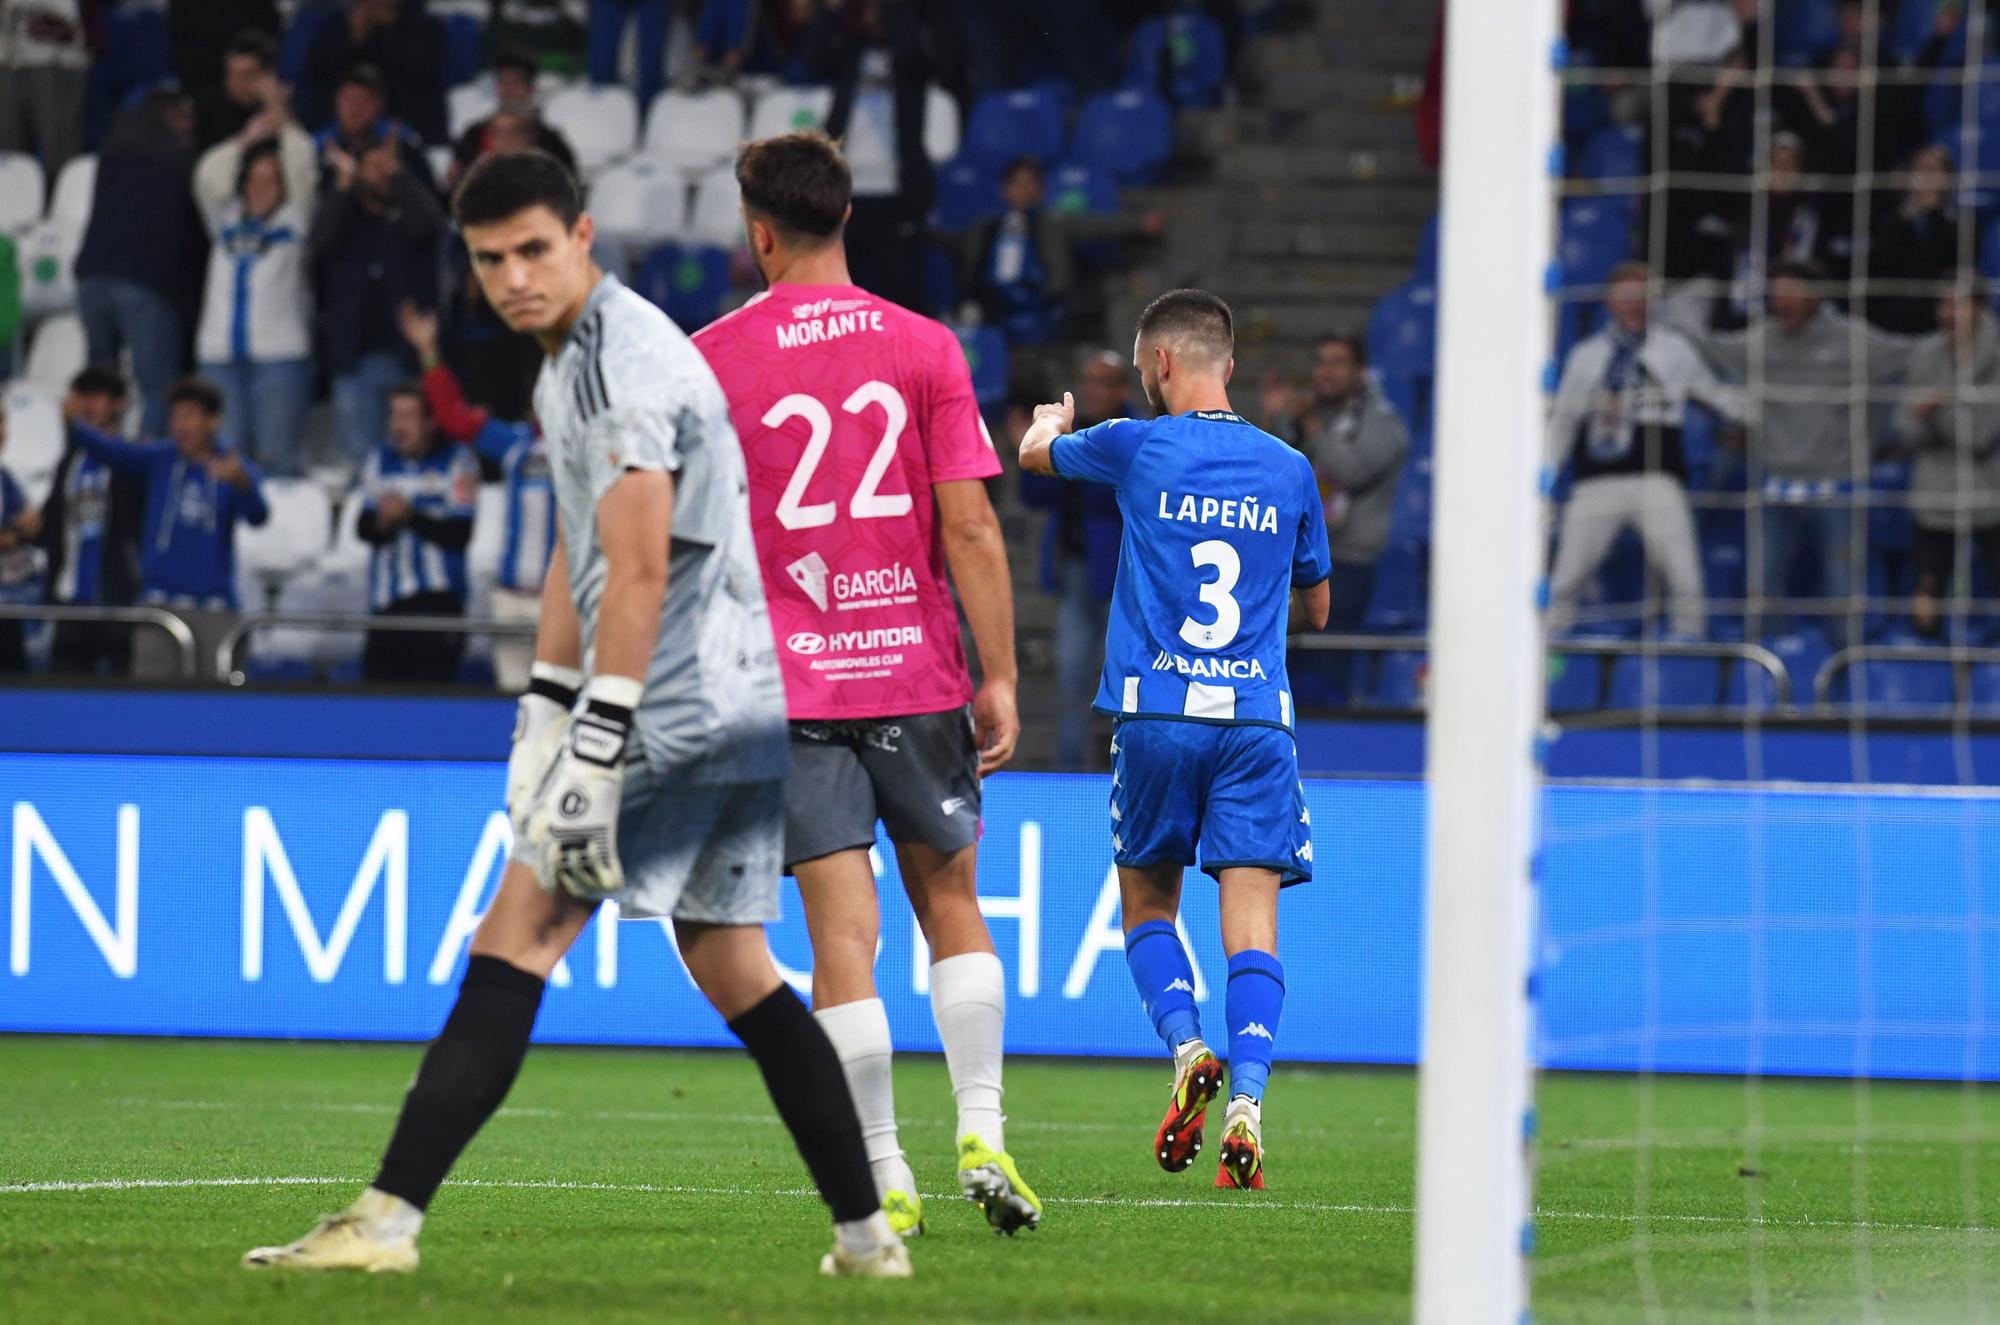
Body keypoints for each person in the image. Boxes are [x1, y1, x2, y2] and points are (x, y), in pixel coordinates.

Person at [243, 148, 908, 1279]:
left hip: (673, 702)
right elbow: (580, 549)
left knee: (518, 935)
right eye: (490, 258)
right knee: (737, 966)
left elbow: (639, 567)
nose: (514, 276)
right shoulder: (573, 361)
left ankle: (387, 1219)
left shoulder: (614, 364)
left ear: (582, 237)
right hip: (738, 699)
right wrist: (542, 706)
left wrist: (595, 734)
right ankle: (865, 1236)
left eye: (534, 250)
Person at [690, 130, 1038, 1241]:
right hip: (916, 669)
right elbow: (970, 524)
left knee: (842, 936)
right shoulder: (927, 346)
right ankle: (980, 1122)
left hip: (790, 687)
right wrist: (1001, 673)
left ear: (757, 233)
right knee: (953, 902)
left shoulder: (713, 356)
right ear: (846, 217)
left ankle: (883, 1167)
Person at [1017, 288, 1331, 1192]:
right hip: (1255, 723)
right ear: (1226, 366)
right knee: (1253, 925)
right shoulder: (1291, 467)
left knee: (1150, 908)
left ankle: (1188, 1046)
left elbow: (1034, 457)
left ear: (1158, 366)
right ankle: (1249, 1103)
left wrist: (1048, 423)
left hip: (1156, 712)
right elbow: (1316, 603)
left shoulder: (1135, 442)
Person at [1678, 260, 1912, 644]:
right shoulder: (1761, 341)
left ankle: (1844, 677)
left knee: (1842, 593)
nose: (1779, 300)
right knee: (1763, 587)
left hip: (1838, 485)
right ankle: (1775, 675)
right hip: (1778, 484)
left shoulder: (1853, 340)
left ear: (1814, 296)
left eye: (1789, 291)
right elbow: (1713, 349)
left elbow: (1910, 355)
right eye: (1775, 292)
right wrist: (1677, 319)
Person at [1545, 262, 1743, 639]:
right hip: (1597, 483)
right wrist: (1547, 472)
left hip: (1658, 481)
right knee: (1566, 579)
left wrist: (1761, 409)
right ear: (1609, 302)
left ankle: (1687, 658)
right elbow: (1564, 422)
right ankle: (1551, 654)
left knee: (1685, 578)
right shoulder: (1585, 356)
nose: (1635, 303)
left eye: (1642, 295)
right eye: (1626, 296)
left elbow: (1717, 397)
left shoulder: (1675, 351)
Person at [67, 376, 270, 681]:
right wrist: (76, 426)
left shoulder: (232, 466)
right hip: (158, 608)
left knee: (217, 714)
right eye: (174, 416)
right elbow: (114, 452)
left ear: (213, 421)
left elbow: (258, 516)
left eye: (189, 415)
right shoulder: (160, 457)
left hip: (214, 609)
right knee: (152, 707)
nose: (179, 425)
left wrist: (243, 485)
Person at [402, 300, 552, 692]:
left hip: (564, 604)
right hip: (511, 598)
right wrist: (429, 354)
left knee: (563, 710)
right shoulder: (515, 444)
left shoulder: (589, 448)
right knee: (512, 711)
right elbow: (452, 416)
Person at [1019, 348, 1130, 769]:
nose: (1092, 390)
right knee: (1071, 677)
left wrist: (1071, 458)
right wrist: (1036, 451)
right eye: (1088, 381)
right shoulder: (1068, 433)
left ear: (1121, 389)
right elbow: (1034, 495)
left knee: (1125, 677)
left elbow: (1113, 499)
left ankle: (1122, 768)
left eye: (1103, 382)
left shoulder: (1135, 432)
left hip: (1125, 574)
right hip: (1077, 571)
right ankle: (1071, 773)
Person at [74, 88, 207, 437]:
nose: (190, 127)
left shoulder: (111, 154)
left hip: (91, 278)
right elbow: (191, 234)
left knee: (100, 385)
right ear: (172, 117)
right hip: (146, 282)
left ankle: (97, 457)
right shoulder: (178, 161)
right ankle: (145, 476)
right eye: (185, 118)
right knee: (157, 389)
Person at [312, 128, 447, 472]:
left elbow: (428, 227)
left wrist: (400, 174)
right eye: (372, 166)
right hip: (352, 354)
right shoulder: (344, 214)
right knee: (360, 460)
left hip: (406, 352)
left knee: (412, 453)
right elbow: (321, 242)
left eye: (386, 164)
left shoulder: (409, 209)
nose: (381, 172)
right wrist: (342, 185)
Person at [1263, 333, 1410, 633]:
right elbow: (1269, 474)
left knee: (1323, 666)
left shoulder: (1383, 421)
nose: (1325, 371)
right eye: (1320, 363)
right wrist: (1274, 419)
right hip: (1298, 553)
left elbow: (1352, 471)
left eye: (1337, 363)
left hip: (1348, 562)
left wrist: (1311, 427)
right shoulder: (1308, 414)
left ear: (1361, 371)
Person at [193, 134, 316, 478]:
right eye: (253, 179)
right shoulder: (224, 220)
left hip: (279, 360)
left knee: (276, 461)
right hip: (219, 359)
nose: (259, 187)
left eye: (270, 180)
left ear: (284, 187)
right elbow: (206, 177)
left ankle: (278, 532)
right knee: (224, 465)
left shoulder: (295, 220)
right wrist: (248, 137)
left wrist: (283, 123)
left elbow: (304, 163)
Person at [1894, 275, 2000, 638]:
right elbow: (1904, 429)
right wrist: (1932, 413)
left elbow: (1983, 435)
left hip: (1991, 495)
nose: (1948, 314)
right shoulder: (1925, 353)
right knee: (1927, 591)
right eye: (1944, 304)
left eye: (1957, 304)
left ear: (1980, 308)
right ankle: (1925, 670)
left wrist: (1935, 409)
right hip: (1934, 493)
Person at [357, 384, 480, 684]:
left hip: (438, 604)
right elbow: (363, 529)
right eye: (394, 416)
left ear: (431, 421)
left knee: (429, 707)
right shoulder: (380, 460)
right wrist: (384, 523)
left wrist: (409, 516)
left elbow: (459, 534)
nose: (398, 426)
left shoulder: (457, 461)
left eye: (408, 416)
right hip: (385, 604)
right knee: (377, 708)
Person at [32, 366, 145, 676]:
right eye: (82, 397)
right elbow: (52, 526)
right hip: (70, 600)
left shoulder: (134, 460)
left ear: (119, 404)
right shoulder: (70, 462)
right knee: (65, 699)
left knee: (123, 698)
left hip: (116, 600)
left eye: (96, 397)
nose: (87, 406)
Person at [302, 0, 446, 146]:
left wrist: (388, 29)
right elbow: (320, 69)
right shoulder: (342, 22)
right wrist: (355, 35)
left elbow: (419, 71)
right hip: (338, 126)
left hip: (408, 121)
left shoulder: (426, 26)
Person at [449, 49, 576, 184]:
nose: (509, 90)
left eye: (516, 82)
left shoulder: (550, 143)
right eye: (503, 82)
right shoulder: (473, 135)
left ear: (530, 88)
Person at [0, 0, 90, 175]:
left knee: (57, 151)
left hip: (53, 62)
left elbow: (69, 21)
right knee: (9, 154)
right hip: (8, 59)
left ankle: (59, 200)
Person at [190, 28, 287, 150]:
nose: (236, 84)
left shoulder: (285, 106)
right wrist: (245, 140)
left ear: (268, 75)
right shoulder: (207, 110)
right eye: (230, 75)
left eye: (246, 76)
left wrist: (275, 107)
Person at [0, 396, 41, 670]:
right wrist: (11, 537)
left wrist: (31, 524)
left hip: (10, 603)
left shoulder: (7, 477)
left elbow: (29, 522)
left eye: (1, 421)